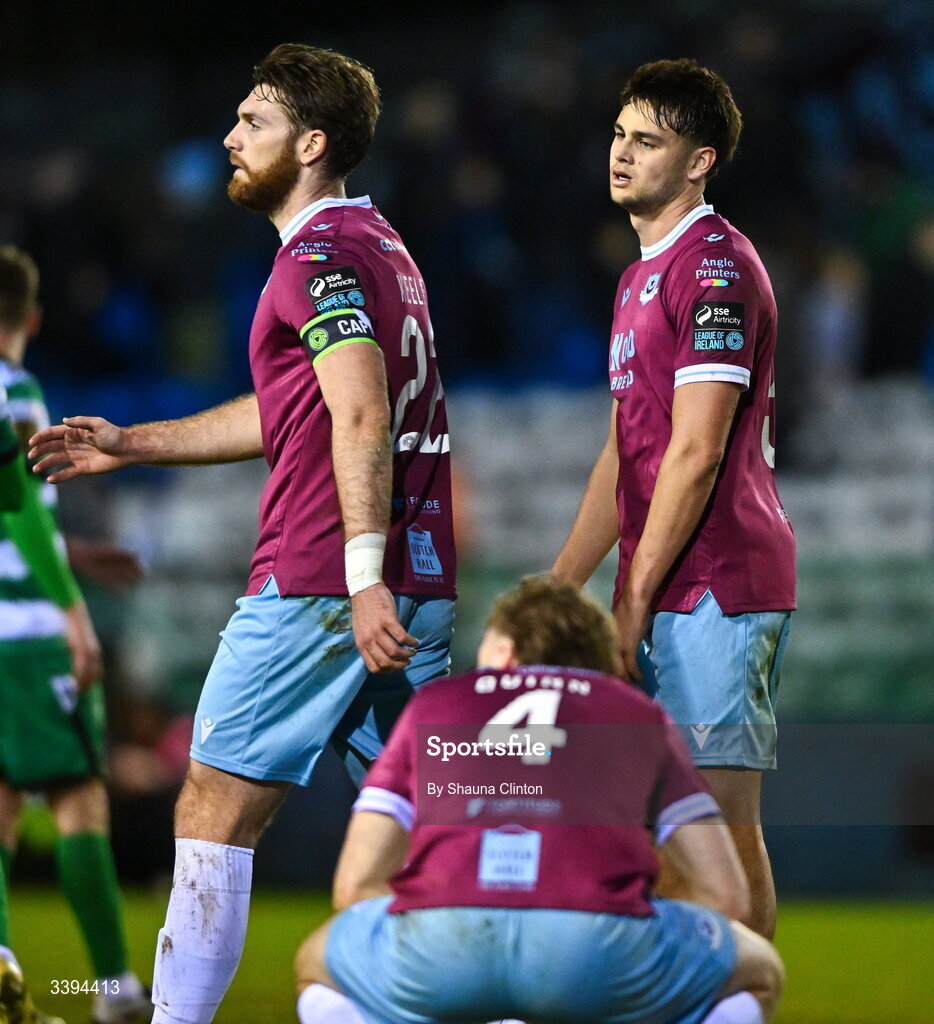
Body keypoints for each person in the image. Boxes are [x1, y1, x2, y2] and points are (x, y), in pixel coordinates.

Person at [29, 43, 456, 1024]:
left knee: (213, 808)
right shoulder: (376, 244)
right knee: (432, 830)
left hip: (323, 583)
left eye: (252, 121)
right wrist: (133, 442)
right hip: (413, 579)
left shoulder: (315, 254)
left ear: (309, 143)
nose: (229, 138)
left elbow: (356, 413)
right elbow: (289, 411)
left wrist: (357, 578)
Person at [294, 576, 784, 1024]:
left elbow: (355, 887)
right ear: (597, 662)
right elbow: (726, 897)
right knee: (759, 969)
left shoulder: (436, 705)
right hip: (592, 949)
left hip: (445, 945)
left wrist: (443, 911)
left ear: (504, 651)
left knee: (317, 964)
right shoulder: (634, 714)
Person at [550, 59, 796, 939]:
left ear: (701, 160)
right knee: (664, 831)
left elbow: (694, 452)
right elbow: (625, 454)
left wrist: (637, 594)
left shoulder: (717, 267)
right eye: (619, 134)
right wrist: (562, 583)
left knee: (721, 832)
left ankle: (741, 1004)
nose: (620, 153)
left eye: (647, 140)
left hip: (719, 584)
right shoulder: (637, 278)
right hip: (665, 582)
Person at [0, 246, 150, 1024]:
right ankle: (113, 991)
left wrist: (76, 553)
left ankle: (5, 975)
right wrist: (74, 612)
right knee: (77, 799)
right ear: (31, 318)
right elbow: (18, 508)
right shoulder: (16, 390)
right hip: (27, 634)